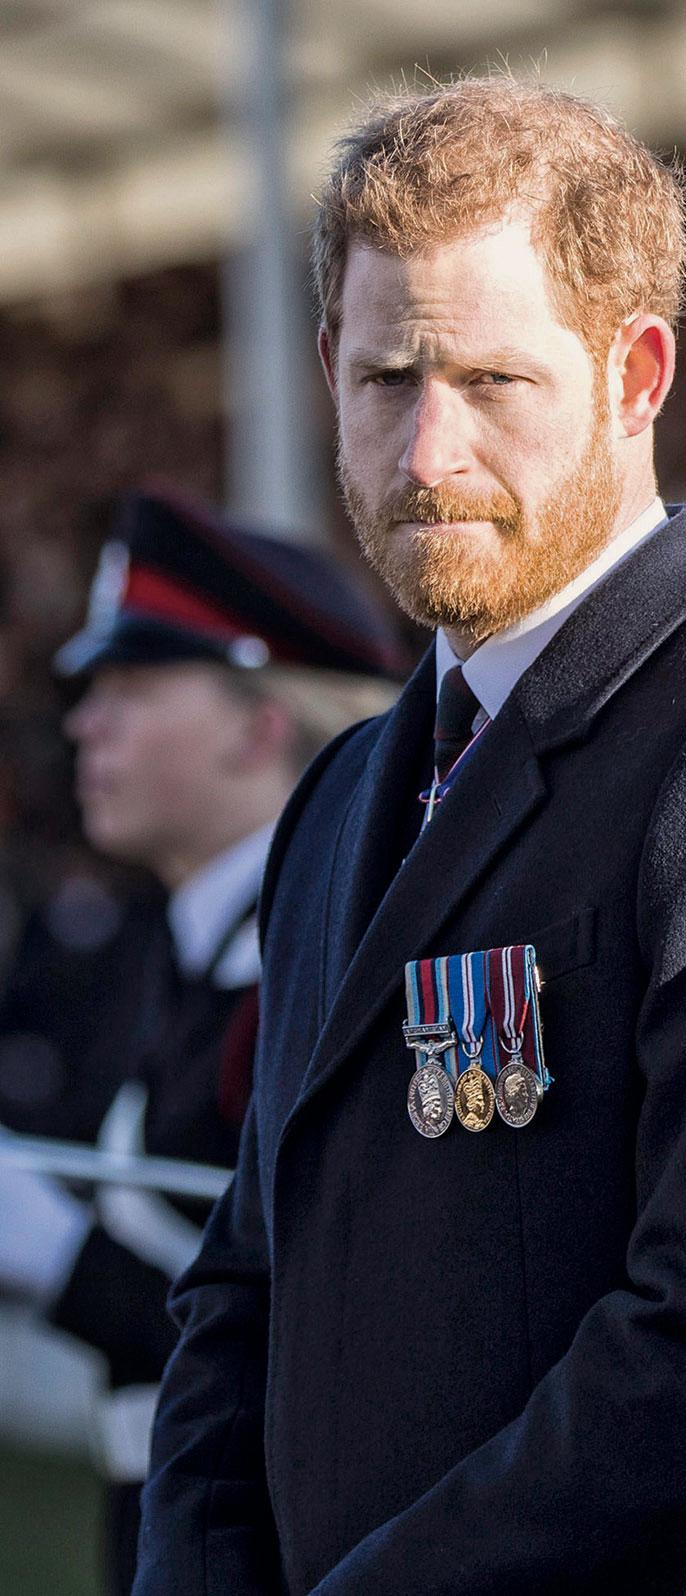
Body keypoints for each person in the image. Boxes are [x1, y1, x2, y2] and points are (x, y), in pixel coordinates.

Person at [134, 79, 686, 1596]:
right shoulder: (342, 794)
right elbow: (242, 1287)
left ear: (634, 372)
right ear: (325, 366)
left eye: (493, 382)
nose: (429, 452)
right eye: (387, 378)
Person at [0, 486, 404, 1595]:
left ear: (259, 723)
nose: (84, 721)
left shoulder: (313, 960)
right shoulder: (196, 948)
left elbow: (316, 1336)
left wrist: (41, 1243)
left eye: (130, 688)